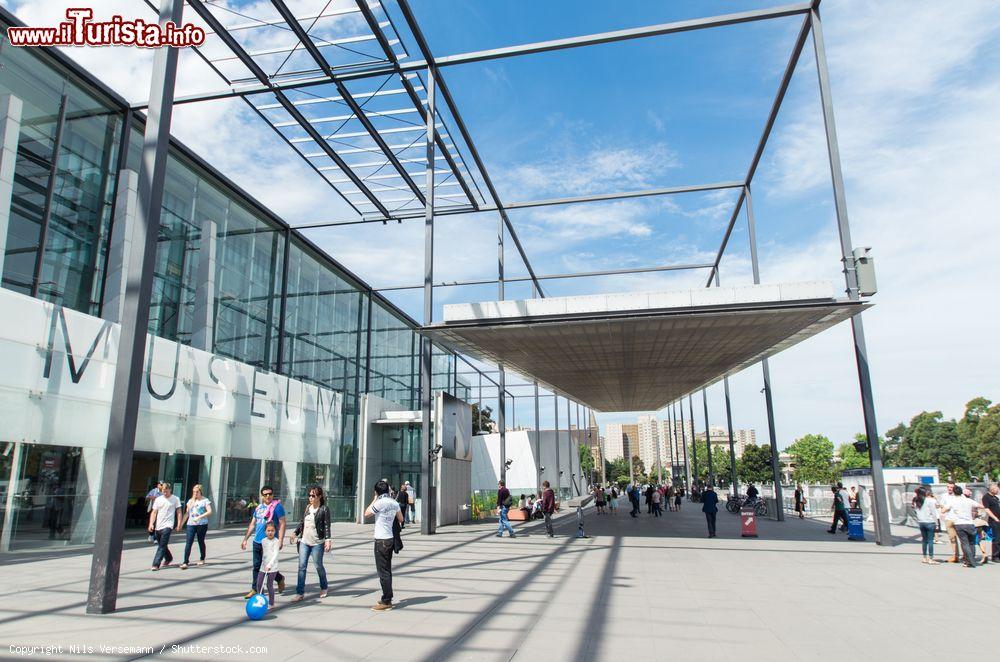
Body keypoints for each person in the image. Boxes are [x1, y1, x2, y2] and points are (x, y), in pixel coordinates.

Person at [364, 479, 403, 610]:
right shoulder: (394, 502)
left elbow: (367, 513)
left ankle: (387, 600)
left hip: (381, 540)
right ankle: (387, 597)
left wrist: (374, 499)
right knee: (387, 569)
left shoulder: (379, 503)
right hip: (390, 539)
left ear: (377, 492)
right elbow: (401, 519)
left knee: (383, 571)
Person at [241, 485, 286, 598]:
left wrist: (280, 540)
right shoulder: (259, 508)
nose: (268, 496)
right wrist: (245, 539)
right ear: (262, 496)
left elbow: (282, 523)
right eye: (265, 494)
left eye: (270, 494)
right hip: (257, 542)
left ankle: (279, 578)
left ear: (273, 494)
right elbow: (253, 524)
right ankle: (255, 589)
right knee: (257, 566)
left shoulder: (277, 507)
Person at [290, 485, 332, 602]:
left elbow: (327, 525)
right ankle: (300, 593)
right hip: (304, 541)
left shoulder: (324, 509)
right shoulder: (308, 507)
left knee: (318, 565)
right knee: (301, 567)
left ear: (319, 496)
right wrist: (295, 532)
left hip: (317, 542)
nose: (310, 498)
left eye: (313, 495)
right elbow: (302, 523)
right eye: (309, 495)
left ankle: (324, 587)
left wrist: (328, 540)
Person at [939, 486, 984, 567]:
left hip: (959, 524)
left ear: (954, 492)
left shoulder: (952, 501)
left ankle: (969, 561)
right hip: (970, 523)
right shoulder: (968, 500)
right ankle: (971, 560)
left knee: (964, 543)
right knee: (971, 543)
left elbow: (943, 510)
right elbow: (981, 506)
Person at [148, 482, 182, 571]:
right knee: (162, 544)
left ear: (170, 490)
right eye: (163, 491)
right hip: (158, 525)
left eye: (166, 491)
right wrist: (151, 524)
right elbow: (154, 512)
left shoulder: (175, 499)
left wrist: (179, 524)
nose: (165, 492)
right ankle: (169, 558)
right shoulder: (158, 499)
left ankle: (156, 564)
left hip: (168, 525)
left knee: (162, 545)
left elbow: (179, 512)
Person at [180, 484, 212, 569]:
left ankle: (202, 558)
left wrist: (199, 517)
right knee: (188, 542)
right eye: (194, 492)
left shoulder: (205, 500)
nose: (195, 493)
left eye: (197, 492)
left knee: (200, 541)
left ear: (200, 492)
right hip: (191, 524)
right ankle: (185, 562)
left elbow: (209, 511)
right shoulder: (190, 501)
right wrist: (181, 524)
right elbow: (187, 513)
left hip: (202, 524)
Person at [912, 486, 939, 564]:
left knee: (924, 540)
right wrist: (936, 523)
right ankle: (931, 558)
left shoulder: (916, 501)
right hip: (929, 522)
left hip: (921, 522)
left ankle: (924, 557)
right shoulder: (930, 501)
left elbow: (915, 511)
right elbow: (933, 513)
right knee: (930, 540)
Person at [256, 521, 280, 609]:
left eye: (272, 531)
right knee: (259, 583)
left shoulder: (276, 541)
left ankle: (271, 603)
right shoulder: (263, 541)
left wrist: (269, 565)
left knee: (269, 585)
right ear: (265, 531)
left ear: (275, 531)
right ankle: (261, 600)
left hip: (272, 567)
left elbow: (275, 554)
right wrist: (264, 564)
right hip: (263, 566)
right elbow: (264, 553)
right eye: (268, 531)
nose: (270, 532)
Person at [940, 483, 960, 562]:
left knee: (962, 538)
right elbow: (942, 505)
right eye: (948, 487)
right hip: (949, 519)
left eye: (951, 487)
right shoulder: (944, 496)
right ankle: (955, 555)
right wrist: (945, 510)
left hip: (959, 519)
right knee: (952, 538)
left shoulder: (959, 496)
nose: (949, 488)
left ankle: (966, 555)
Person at [982, 483, 1000, 562]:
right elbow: (987, 509)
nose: (998, 490)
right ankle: (995, 556)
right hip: (994, 520)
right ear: (992, 489)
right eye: (997, 489)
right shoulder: (986, 497)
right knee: (997, 538)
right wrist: (995, 518)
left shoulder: (995, 497)